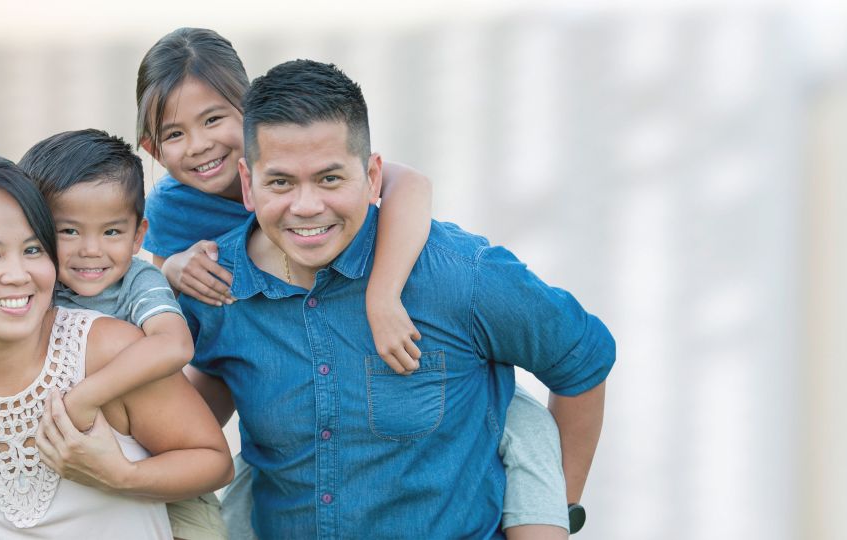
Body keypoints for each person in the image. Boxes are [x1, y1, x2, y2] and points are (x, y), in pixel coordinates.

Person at [130, 28, 584, 538]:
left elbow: (407, 186)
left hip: (441, 361)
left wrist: (382, 294)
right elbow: (175, 312)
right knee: (251, 477)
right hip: (282, 404)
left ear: (247, 107)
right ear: (153, 148)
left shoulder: (451, 269)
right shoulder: (170, 212)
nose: (199, 145)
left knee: (522, 428)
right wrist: (170, 271)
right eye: (175, 134)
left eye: (214, 118)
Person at [0, 129, 233, 539]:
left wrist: (86, 397)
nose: (90, 250)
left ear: (138, 235)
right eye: (67, 232)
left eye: (111, 232)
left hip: (167, 465)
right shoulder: (44, 285)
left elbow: (174, 343)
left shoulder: (136, 284)